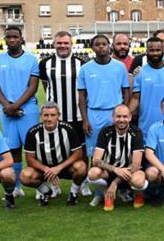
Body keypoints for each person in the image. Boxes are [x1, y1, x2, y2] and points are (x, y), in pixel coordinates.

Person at [38, 31, 91, 197]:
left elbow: (85, 90)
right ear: (54, 44)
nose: (62, 46)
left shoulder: (82, 63)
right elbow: (46, 87)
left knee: (81, 151)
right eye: (59, 43)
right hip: (54, 118)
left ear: (71, 44)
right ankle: (53, 185)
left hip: (77, 116)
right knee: (52, 151)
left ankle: (83, 182)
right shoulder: (45, 63)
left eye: (66, 43)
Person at [0, 26, 39, 197]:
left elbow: (33, 87)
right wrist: (7, 106)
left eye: (15, 37)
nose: (11, 40)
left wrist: (15, 105)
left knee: (33, 149)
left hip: (28, 109)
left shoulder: (31, 59)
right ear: (5, 39)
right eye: (8, 37)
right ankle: (17, 187)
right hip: (6, 110)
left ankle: (40, 187)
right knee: (13, 149)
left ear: (21, 38)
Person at [78, 34, 131, 165]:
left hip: (115, 112)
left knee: (117, 149)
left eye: (104, 44)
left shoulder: (119, 67)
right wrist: (85, 120)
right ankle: (96, 182)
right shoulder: (85, 69)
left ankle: (116, 181)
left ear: (109, 47)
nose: (101, 47)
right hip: (94, 114)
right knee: (95, 152)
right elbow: (82, 96)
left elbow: (126, 91)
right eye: (97, 44)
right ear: (92, 48)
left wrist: (125, 111)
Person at [20, 102, 86, 206]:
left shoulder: (68, 129)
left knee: (81, 167)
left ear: (58, 116)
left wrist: (59, 168)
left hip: (64, 167)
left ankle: (73, 193)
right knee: (25, 176)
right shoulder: (33, 132)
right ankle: (46, 192)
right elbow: (29, 159)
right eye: (46, 115)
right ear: (41, 116)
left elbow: (78, 153)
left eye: (53, 115)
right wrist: (46, 169)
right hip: (43, 170)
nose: (49, 119)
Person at [87, 105, 148, 211]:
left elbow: (136, 165)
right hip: (111, 170)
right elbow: (96, 160)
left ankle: (138, 194)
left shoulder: (136, 133)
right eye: (118, 116)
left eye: (125, 117)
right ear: (113, 117)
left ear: (130, 117)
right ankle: (107, 194)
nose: (121, 120)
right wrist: (116, 170)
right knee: (92, 173)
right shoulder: (105, 132)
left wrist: (115, 182)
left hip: (131, 172)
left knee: (138, 181)